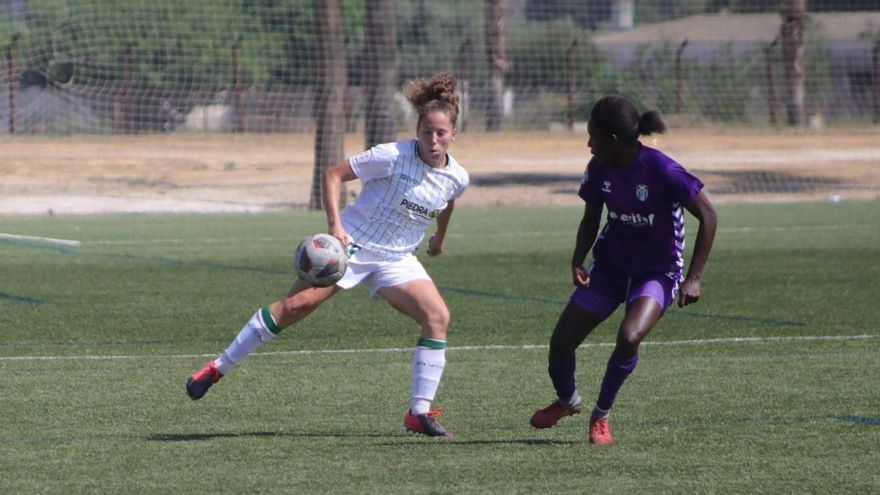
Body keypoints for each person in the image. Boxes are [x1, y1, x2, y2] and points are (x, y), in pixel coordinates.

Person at [185, 72, 469, 437]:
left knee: (437, 316)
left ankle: (419, 412)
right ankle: (217, 368)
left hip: (397, 258)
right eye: (427, 131)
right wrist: (336, 226)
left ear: (453, 135)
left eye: (441, 133)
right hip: (353, 245)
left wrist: (440, 238)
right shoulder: (392, 156)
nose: (433, 139)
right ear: (417, 129)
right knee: (293, 309)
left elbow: (448, 200)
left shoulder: (457, 175)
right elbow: (333, 174)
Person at [529, 95, 717, 445]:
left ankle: (601, 416)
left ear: (613, 141)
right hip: (611, 267)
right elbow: (591, 217)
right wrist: (577, 259)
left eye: (592, 137)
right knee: (560, 344)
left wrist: (694, 278)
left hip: (657, 271)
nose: (588, 145)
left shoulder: (662, 170)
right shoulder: (599, 168)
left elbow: (708, 215)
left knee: (630, 336)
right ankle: (568, 401)